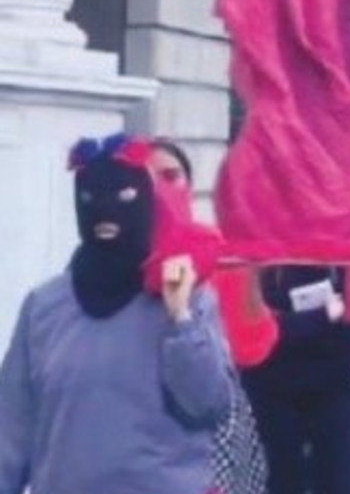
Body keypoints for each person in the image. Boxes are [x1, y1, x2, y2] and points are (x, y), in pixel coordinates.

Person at [0, 134, 233, 493]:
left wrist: (181, 320)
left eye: (123, 198)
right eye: (91, 200)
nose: (106, 213)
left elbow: (208, 406)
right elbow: (10, 432)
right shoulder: (43, 308)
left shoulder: (190, 297)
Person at [149, 138, 271, 494]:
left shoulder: (217, 251)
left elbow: (255, 345)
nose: (160, 189)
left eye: (171, 176)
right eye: (149, 179)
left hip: (210, 430)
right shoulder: (117, 265)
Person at [241, 263, 350, 494]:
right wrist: (324, 317)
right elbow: (251, 323)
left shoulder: (347, 241)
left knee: (339, 478)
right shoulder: (256, 248)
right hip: (272, 381)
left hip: (335, 377)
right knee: (282, 477)